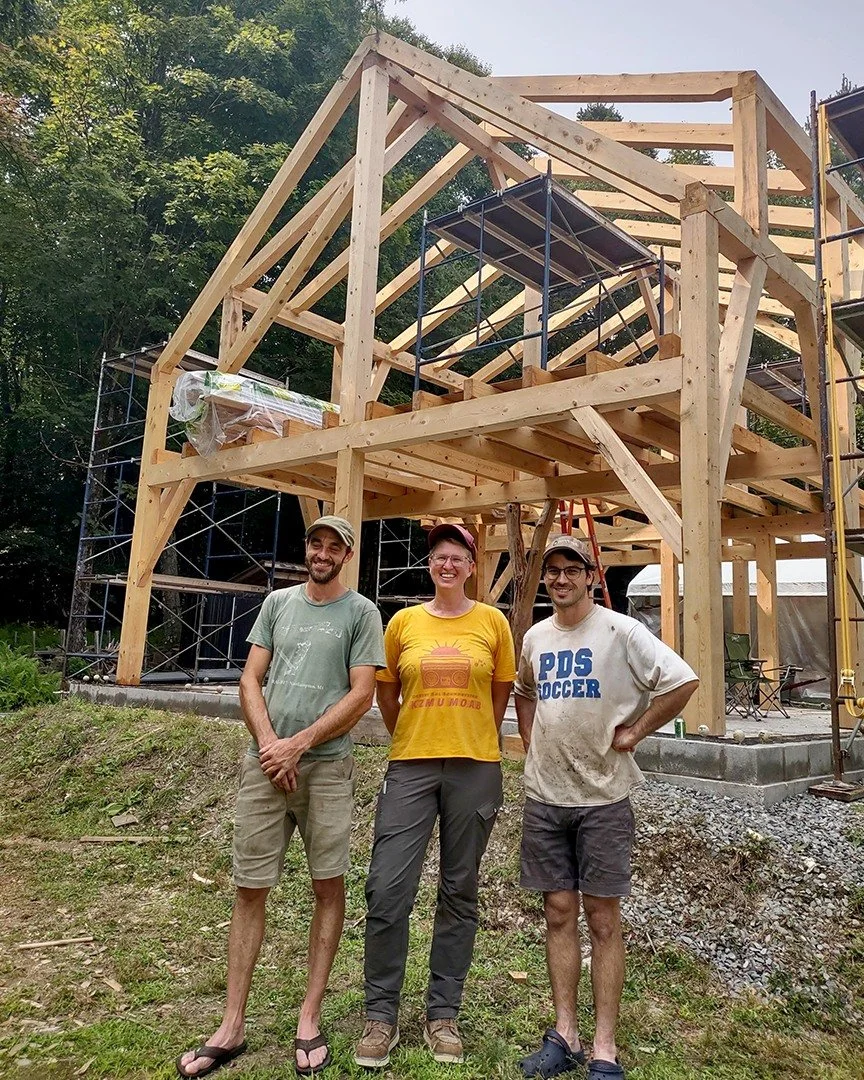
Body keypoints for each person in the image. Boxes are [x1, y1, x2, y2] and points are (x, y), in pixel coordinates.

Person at [177, 516, 385, 1078]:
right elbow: (250, 679)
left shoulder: (362, 612)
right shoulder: (277, 604)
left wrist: (300, 744)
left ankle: (309, 1016)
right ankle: (232, 1024)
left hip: (326, 768)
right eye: (316, 543)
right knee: (249, 887)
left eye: (334, 546)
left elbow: (362, 694)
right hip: (265, 766)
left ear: (346, 556)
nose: (323, 553)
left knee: (328, 885)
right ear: (308, 549)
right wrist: (272, 745)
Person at [515, 535, 698, 1080]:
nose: (561, 579)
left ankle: (604, 1048)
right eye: (553, 571)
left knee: (602, 919)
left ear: (591, 577)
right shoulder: (536, 637)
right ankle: (565, 1035)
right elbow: (525, 691)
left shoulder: (621, 632)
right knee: (557, 913)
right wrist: (530, 741)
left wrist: (636, 731)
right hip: (545, 797)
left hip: (603, 800)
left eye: (572, 569)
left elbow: (682, 680)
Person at [354, 523, 517, 1069]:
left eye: (457, 558)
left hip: (475, 767)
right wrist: (415, 735)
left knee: (459, 890)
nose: (447, 565)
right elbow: (387, 693)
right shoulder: (403, 623)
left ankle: (443, 1013)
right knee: (387, 889)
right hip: (411, 766)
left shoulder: (493, 622)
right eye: (439, 557)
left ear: (472, 567)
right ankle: (381, 1014)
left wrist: (471, 737)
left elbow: (498, 695)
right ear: (430, 566)